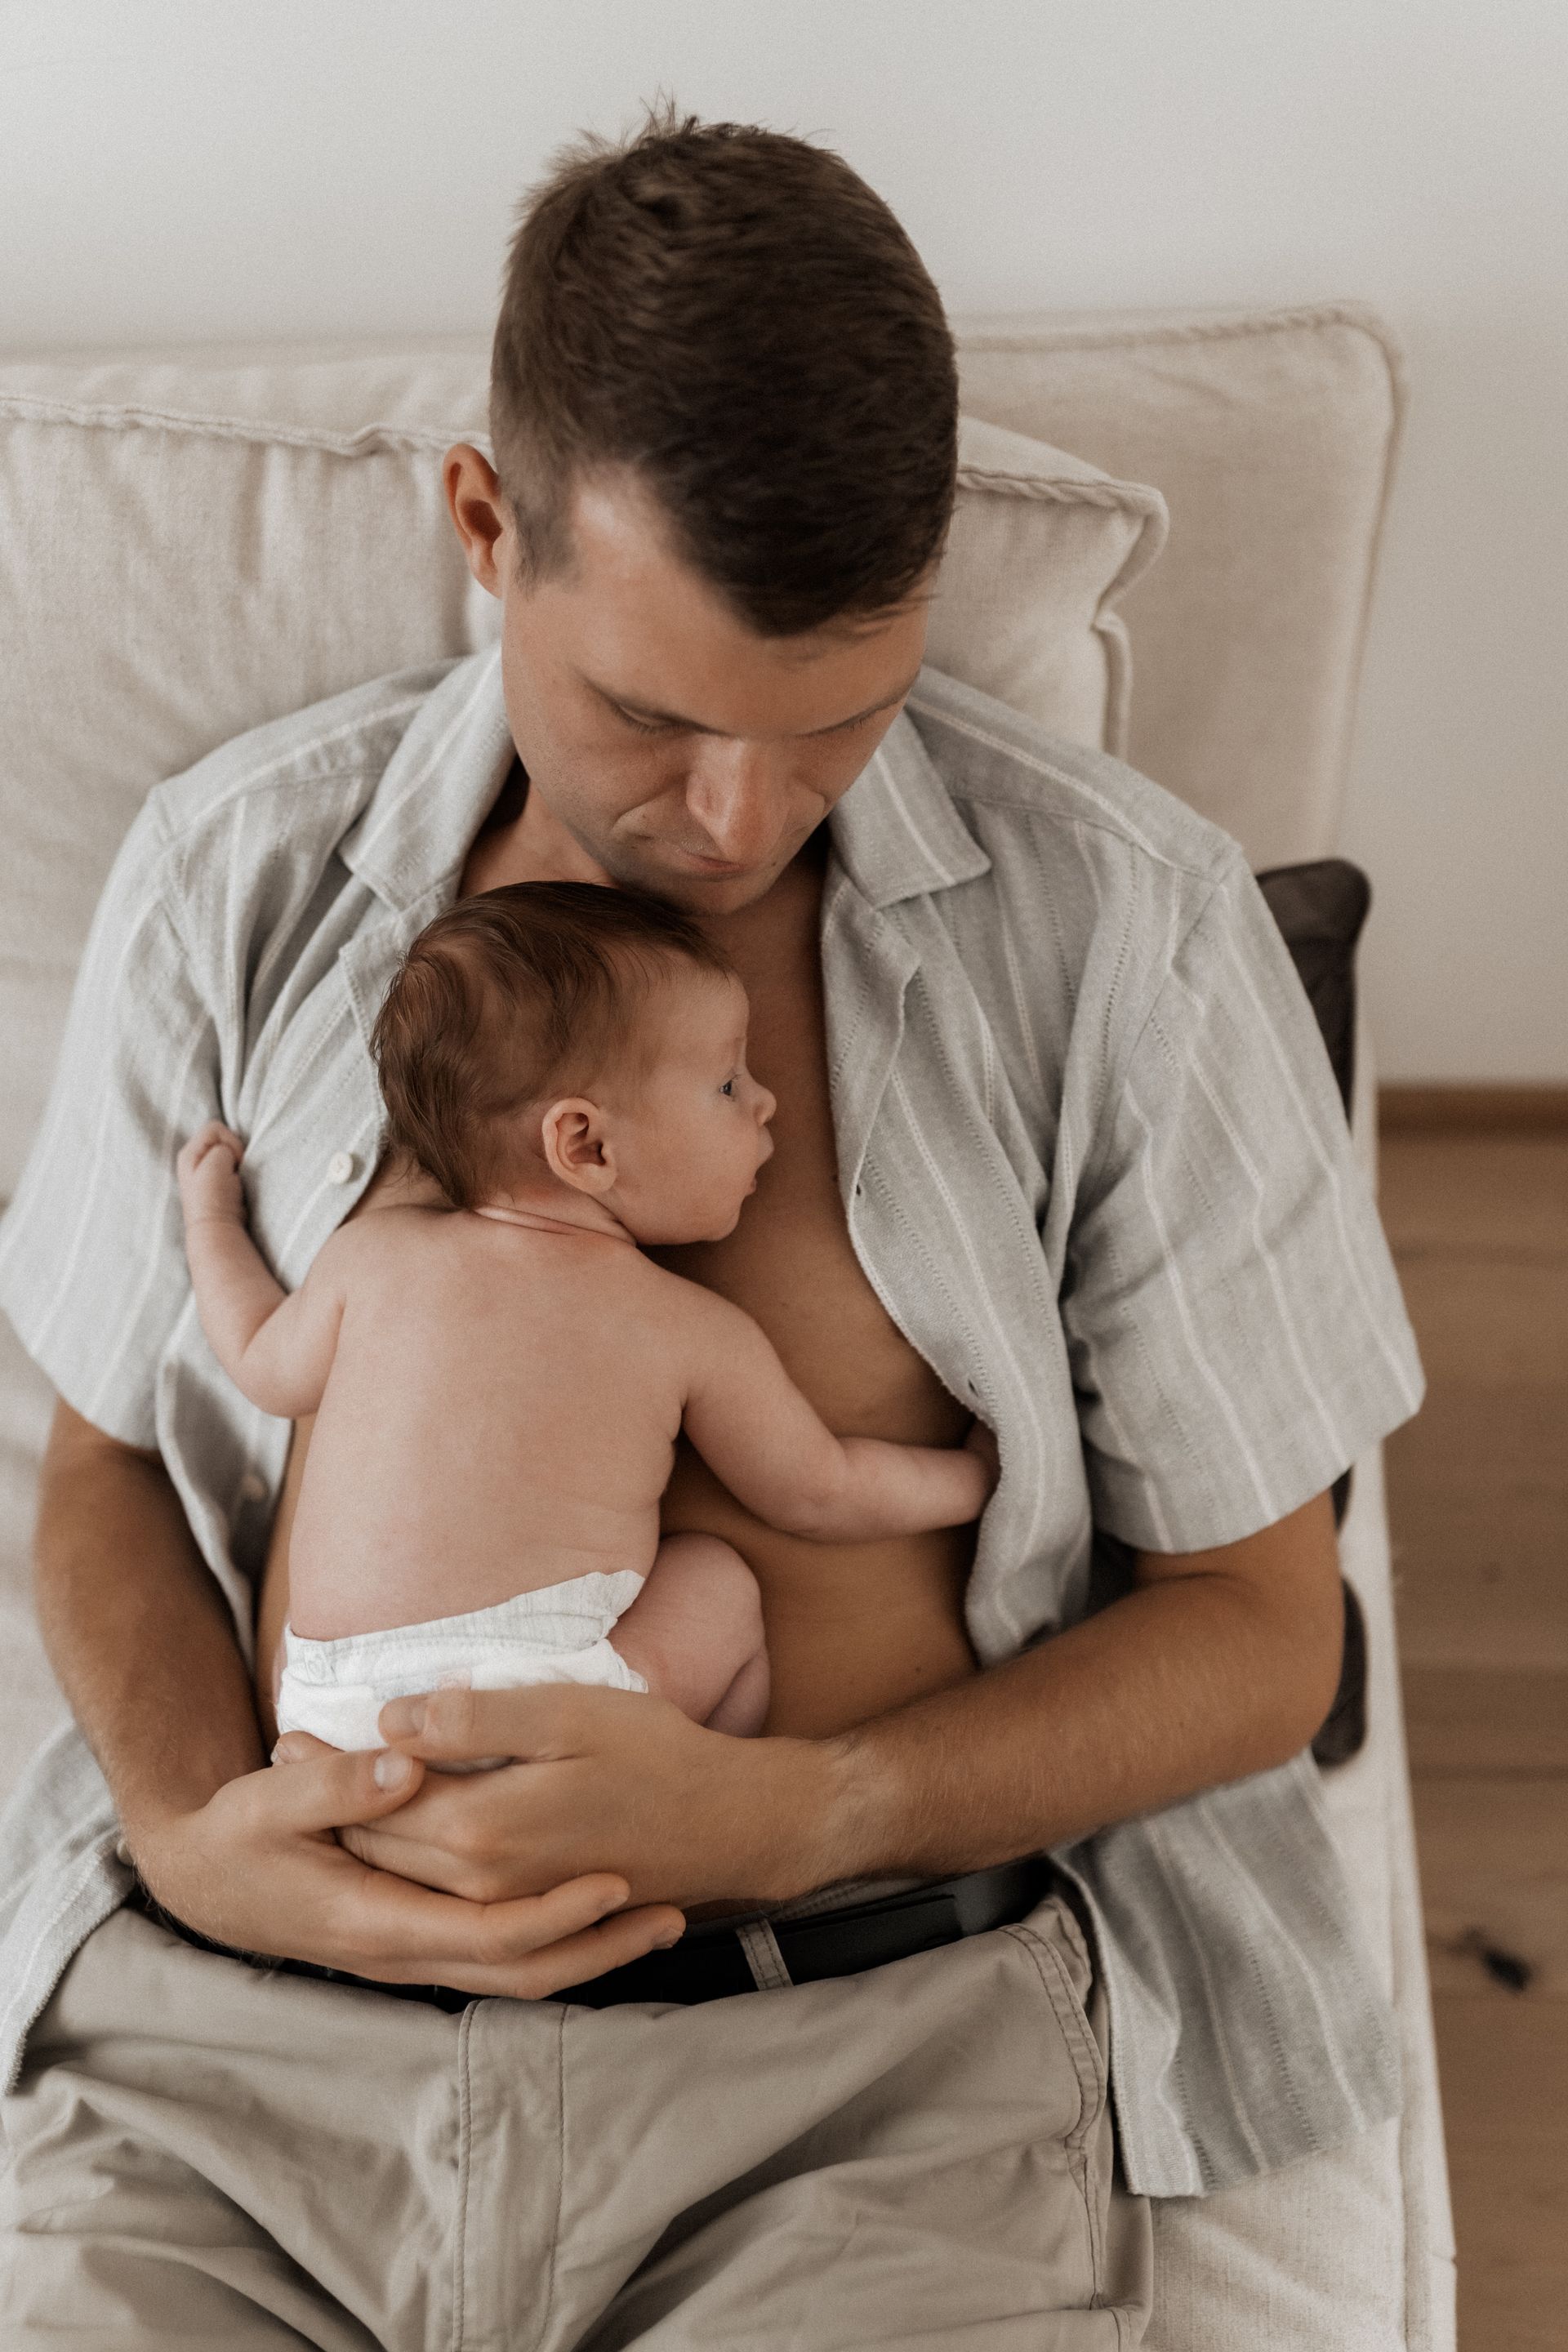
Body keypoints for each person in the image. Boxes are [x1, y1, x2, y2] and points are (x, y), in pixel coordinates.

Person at [0, 111, 1423, 2347]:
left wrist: (796, 1814)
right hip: (242, 2064)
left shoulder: (1126, 938)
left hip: (854, 2082)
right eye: (650, 717)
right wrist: (185, 1832)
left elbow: (1263, 1627)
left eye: (833, 718)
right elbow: (93, 1468)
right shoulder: (239, 880)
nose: (740, 822)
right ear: (490, 525)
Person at [176, 883, 993, 1751]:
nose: (768, 1103)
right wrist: (973, 1480)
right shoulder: (685, 1326)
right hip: (549, 1707)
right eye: (727, 1081)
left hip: (333, 1714)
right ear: (587, 1146)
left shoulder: (370, 1258)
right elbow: (817, 1489)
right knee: (720, 1590)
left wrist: (208, 1222)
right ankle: (694, 1803)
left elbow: (260, 1358)